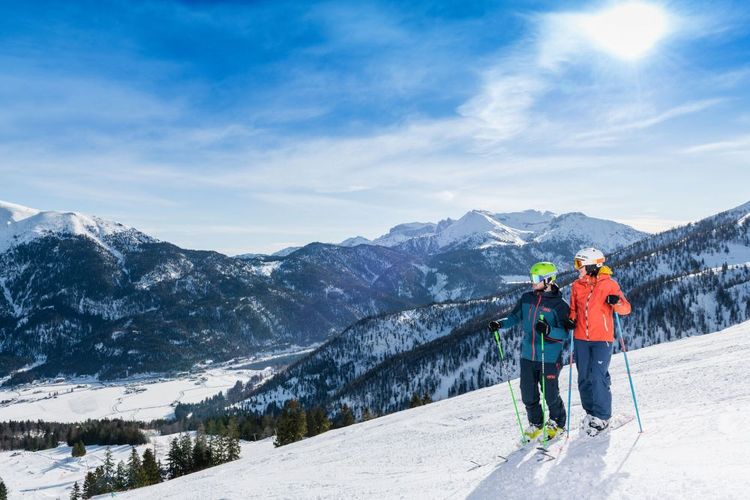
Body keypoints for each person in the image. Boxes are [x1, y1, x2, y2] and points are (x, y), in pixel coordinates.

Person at [488, 262, 574, 441]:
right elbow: (514, 317)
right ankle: (536, 423)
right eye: (531, 278)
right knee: (528, 392)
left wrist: (549, 330)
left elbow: (565, 333)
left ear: (548, 280)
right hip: (528, 355)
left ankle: (557, 423)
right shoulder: (527, 298)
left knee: (550, 393)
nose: (532, 282)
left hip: (549, 356)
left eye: (536, 279)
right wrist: (500, 324)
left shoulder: (560, 305)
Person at [569, 247, 632, 436]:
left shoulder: (609, 285)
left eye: (580, 264)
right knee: (583, 378)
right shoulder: (577, 286)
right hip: (580, 338)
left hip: (601, 339)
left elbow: (626, 309)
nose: (576, 268)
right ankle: (590, 413)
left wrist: (617, 302)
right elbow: (574, 309)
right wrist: (570, 319)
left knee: (598, 376)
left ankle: (603, 417)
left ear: (592, 266)